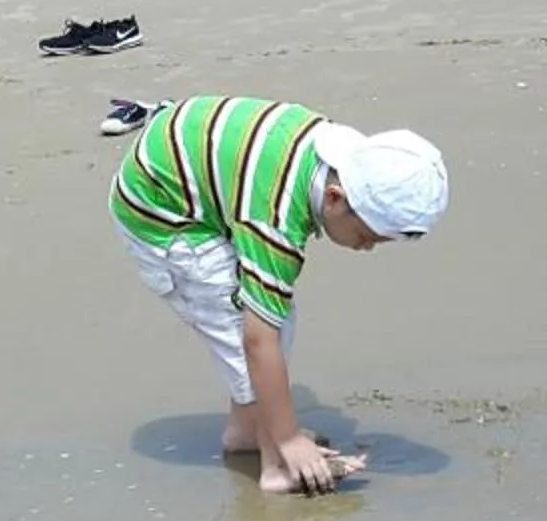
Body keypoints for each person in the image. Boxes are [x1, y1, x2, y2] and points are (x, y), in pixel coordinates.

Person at [112, 95, 448, 495]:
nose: (367, 248)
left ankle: (249, 430)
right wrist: (289, 437)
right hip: (164, 219)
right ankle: (277, 464)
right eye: (365, 236)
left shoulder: (339, 155)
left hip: (191, 177)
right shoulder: (275, 222)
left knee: (274, 314)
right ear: (336, 198)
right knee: (243, 328)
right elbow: (257, 341)